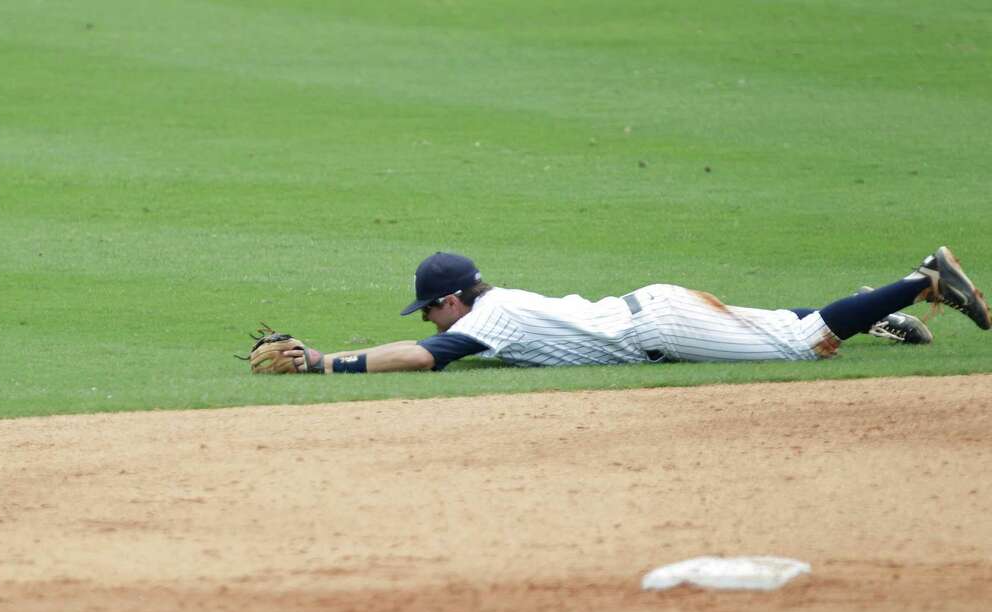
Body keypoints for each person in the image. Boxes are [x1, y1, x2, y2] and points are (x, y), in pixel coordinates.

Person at [266, 246, 989, 374]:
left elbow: (424, 358)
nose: (428, 320)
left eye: (430, 309)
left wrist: (331, 361)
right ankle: (888, 312)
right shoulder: (502, 303)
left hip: (662, 327)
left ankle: (921, 278)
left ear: (453, 299)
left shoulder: (488, 318)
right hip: (659, 310)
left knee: (799, 347)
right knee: (777, 327)